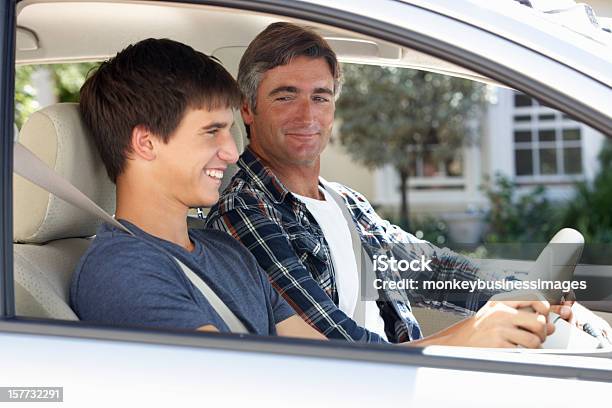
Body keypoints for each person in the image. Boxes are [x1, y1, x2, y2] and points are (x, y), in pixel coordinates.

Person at [205, 22, 579, 348]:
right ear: (248, 109)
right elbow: (337, 348)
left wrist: (527, 292)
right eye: (286, 96)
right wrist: (470, 336)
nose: (307, 115)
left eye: (320, 97)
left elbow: (433, 269)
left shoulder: (345, 201)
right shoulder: (245, 211)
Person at [70, 38, 325, 340]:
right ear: (146, 142)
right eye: (212, 131)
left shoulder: (228, 251)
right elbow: (231, 380)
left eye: (228, 131)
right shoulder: (121, 271)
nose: (232, 153)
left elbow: (321, 355)